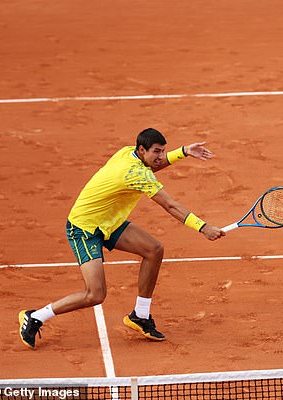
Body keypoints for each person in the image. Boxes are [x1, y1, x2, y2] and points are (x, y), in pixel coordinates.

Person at [19, 128, 225, 349]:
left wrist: (183, 152)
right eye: (157, 151)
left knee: (153, 250)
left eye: (163, 151)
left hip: (109, 222)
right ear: (142, 149)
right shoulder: (135, 173)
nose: (160, 156)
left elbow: (154, 164)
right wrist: (202, 227)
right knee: (95, 294)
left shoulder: (127, 152)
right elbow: (170, 205)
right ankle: (36, 316)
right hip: (85, 228)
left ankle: (140, 316)